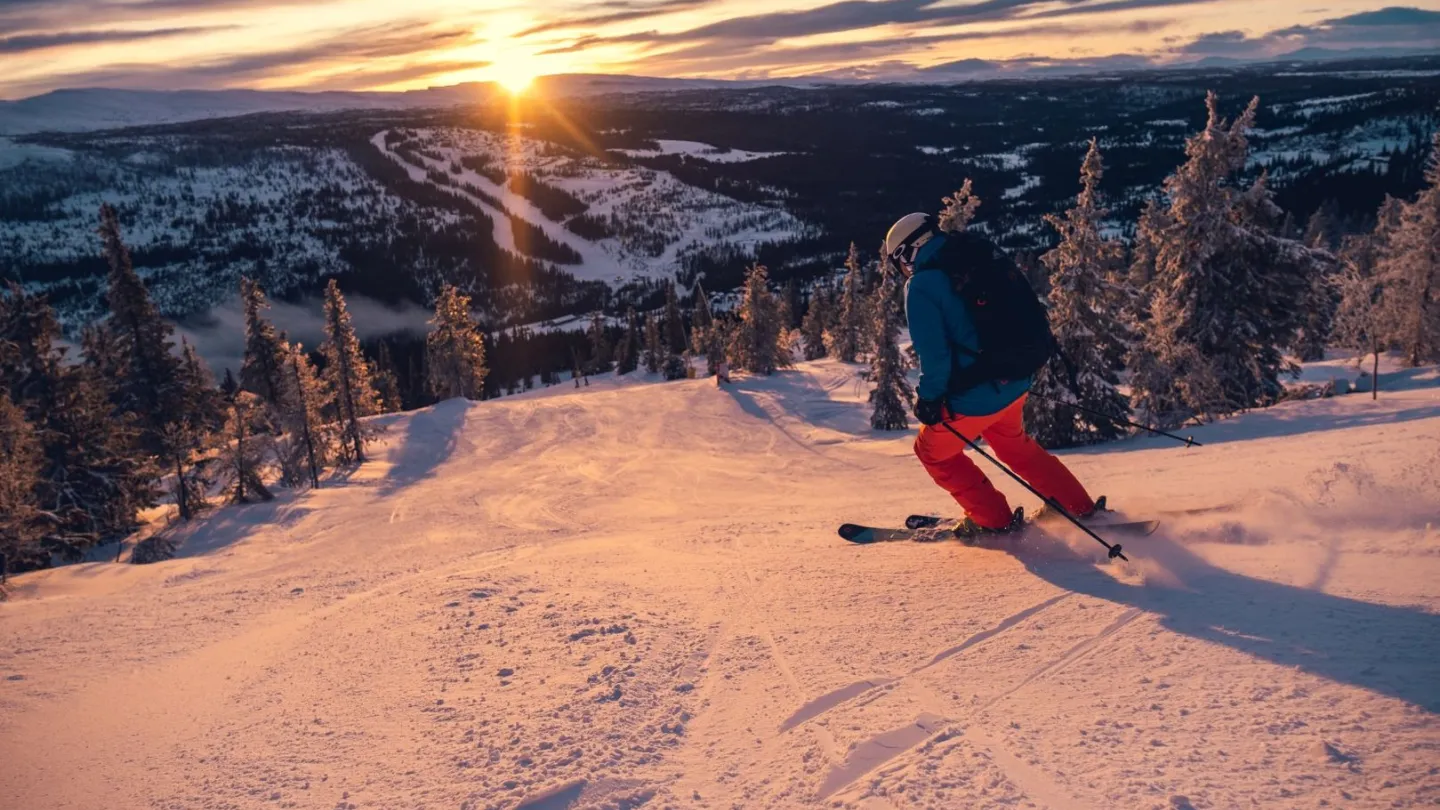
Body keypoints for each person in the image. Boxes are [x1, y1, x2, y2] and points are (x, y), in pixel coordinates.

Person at [884, 212, 1097, 537]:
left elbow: (935, 357)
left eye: (898, 262)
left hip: (974, 399)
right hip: (1014, 381)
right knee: (1016, 447)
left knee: (931, 453)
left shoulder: (922, 285)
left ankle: (993, 520)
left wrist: (928, 401)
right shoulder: (977, 255)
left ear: (908, 251)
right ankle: (1077, 506)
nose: (902, 271)